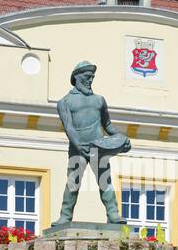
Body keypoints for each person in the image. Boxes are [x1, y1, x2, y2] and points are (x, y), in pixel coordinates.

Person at [53, 61, 131, 225]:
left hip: (99, 147)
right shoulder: (65, 102)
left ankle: (113, 214)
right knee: (73, 184)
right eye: (88, 77)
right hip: (78, 148)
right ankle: (65, 216)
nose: (90, 81)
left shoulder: (99, 100)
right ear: (77, 77)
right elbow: (69, 127)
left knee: (105, 183)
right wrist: (78, 145)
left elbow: (107, 125)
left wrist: (121, 138)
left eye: (92, 78)